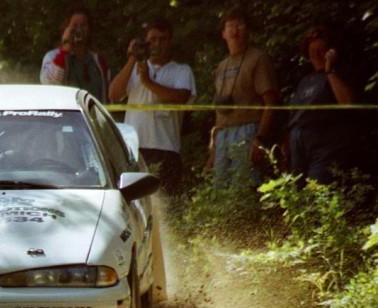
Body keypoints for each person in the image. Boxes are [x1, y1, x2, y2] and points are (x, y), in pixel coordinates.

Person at [108, 18, 196, 195]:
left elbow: (181, 97)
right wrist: (133, 58)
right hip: (135, 149)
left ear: (170, 42)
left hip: (166, 149)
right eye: (152, 40)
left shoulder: (181, 70)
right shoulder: (134, 68)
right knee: (135, 203)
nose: (157, 44)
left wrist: (147, 82)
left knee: (167, 204)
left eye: (162, 39)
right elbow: (114, 95)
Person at [210, 7, 278, 189]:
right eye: (230, 26)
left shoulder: (258, 58)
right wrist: (213, 148)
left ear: (247, 29)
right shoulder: (221, 66)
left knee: (244, 188)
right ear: (223, 33)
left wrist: (260, 139)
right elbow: (219, 108)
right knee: (219, 190)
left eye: (239, 25)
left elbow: (270, 102)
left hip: (248, 130)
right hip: (223, 134)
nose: (235, 30)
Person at [286, 24, 357, 184]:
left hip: (325, 144)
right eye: (312, 52)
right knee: (297, 193)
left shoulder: (339, 74)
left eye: (321, 51)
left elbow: (347, 103)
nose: (317, 55)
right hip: (299, 145)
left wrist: (329, 69)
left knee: (317, 190)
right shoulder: (304, 80)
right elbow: (294, 115)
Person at [40, 4, 110, 102]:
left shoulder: (98, 61)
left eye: (83, 25)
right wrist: (65, 49)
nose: (79, 29)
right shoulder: (52, 57)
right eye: (75, 25)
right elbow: (50, 84)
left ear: (89, 29)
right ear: (66, 28)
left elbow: (106, 95)